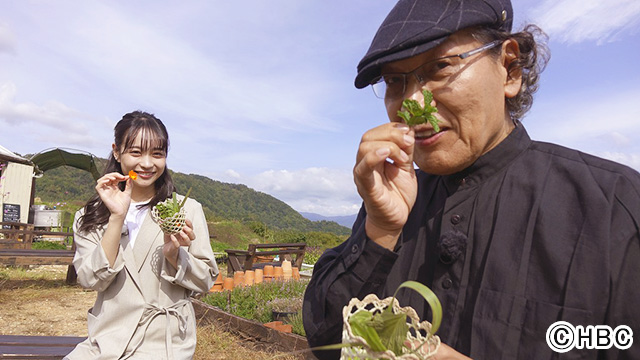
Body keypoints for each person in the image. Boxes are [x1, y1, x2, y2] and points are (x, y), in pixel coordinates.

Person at [303, 0, 640, 359]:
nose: (414, 101)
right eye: (394, 81)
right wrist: (381, 232)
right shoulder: (392, 204)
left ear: (509, 69)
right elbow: (327, 341)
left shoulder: (615, 208)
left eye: (441, 66)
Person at [65, 111, 219, 360]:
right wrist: (116, 217)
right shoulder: (90, 214)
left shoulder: (186, 209)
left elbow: (205, 281)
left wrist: (175, 256)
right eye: (136, 152)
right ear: (116, 151)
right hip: (106, 340)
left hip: (164, 343)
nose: (147, 164)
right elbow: (90, 280)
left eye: (157, 154)